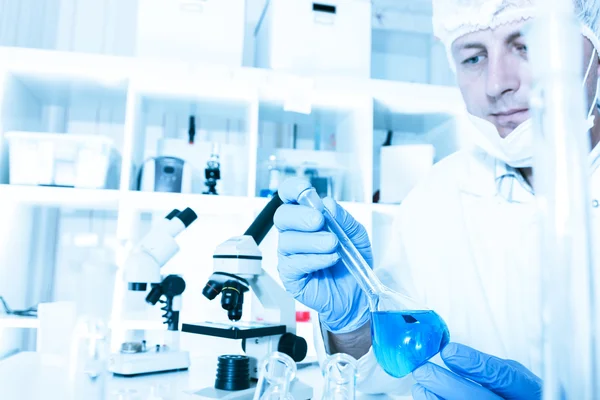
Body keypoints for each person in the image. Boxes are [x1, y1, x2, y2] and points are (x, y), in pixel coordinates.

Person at [274, 0, 600, 398]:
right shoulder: (434, 198)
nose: (496, 83)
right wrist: (353, 325)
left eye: (528, 46)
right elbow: (385, 377)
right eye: (474, 57)